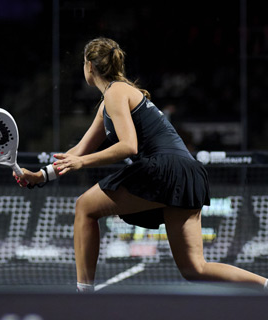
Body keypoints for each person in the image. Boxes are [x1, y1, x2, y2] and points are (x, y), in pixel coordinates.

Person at [14, 37, 268, 293]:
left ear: (89, 66)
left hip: (165, 168)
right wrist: (40, 176)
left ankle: (83, 295)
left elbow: (128, 146)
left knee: (84, 207)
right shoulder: (111, 100)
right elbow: (76, 151)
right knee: (194, 269)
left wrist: (82, 162)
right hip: (187, 172)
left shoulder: (115, 92)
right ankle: (266, 285)